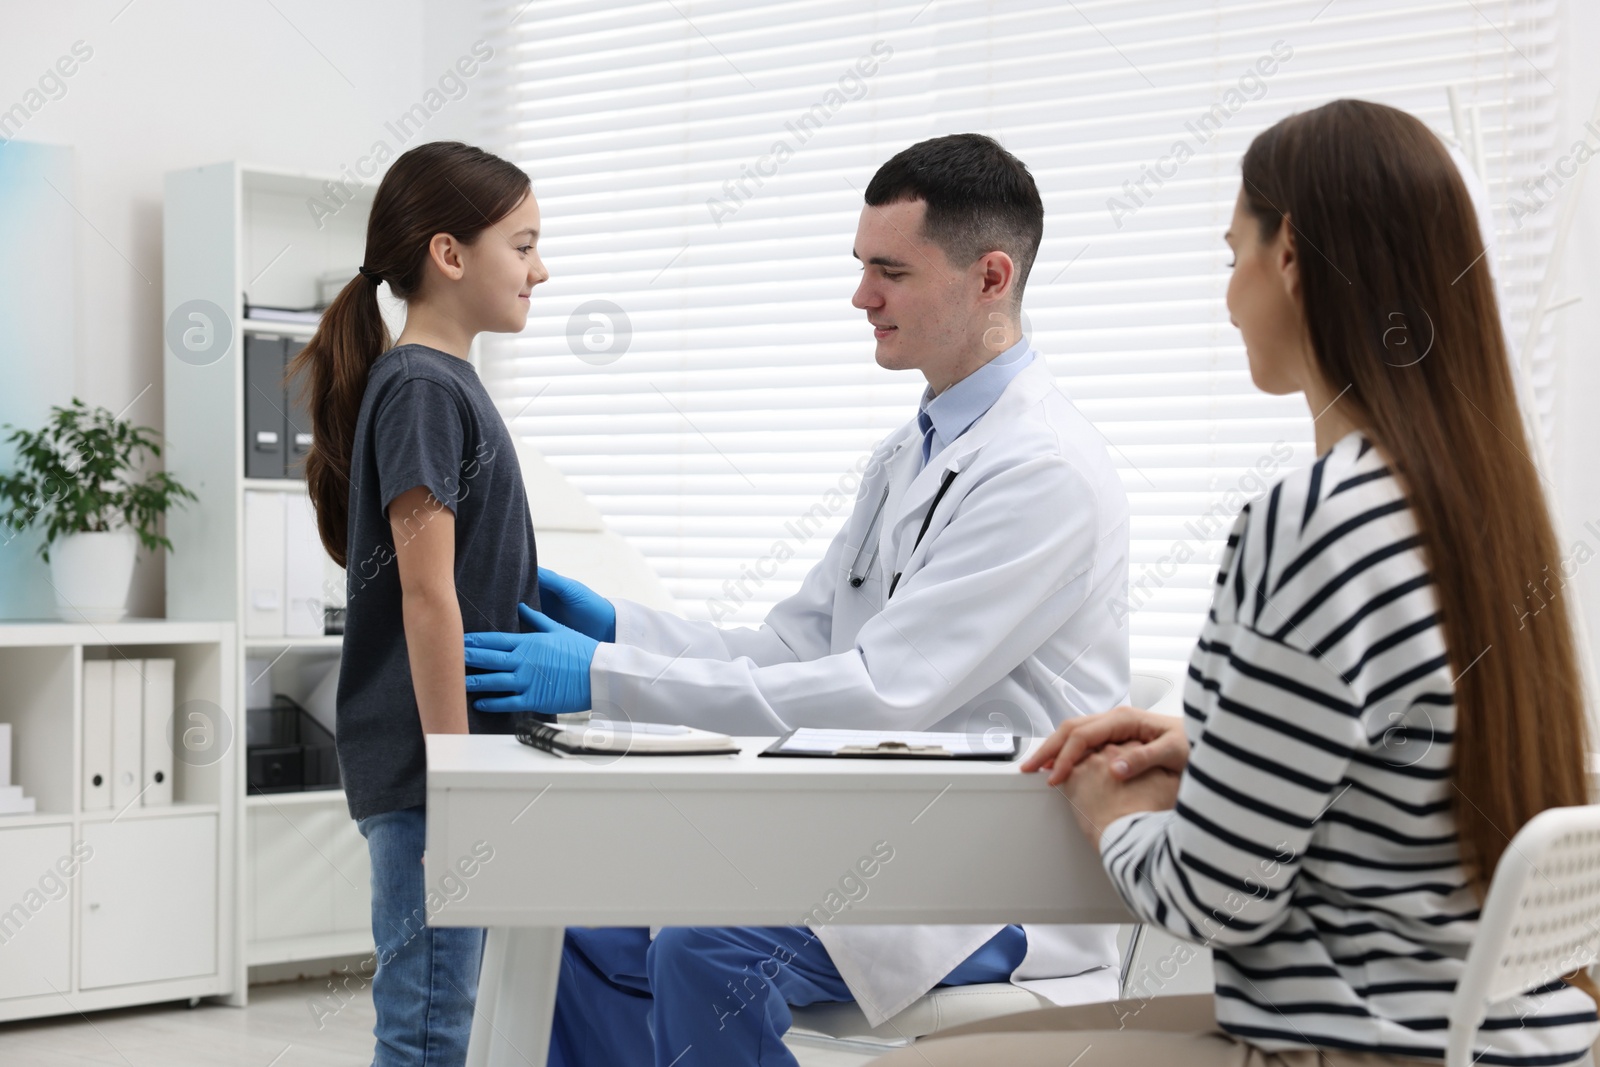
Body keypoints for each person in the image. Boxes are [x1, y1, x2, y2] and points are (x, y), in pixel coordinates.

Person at [876, 99, 1600, 1066]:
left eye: (1233, 257)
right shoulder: (1485, 510)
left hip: (1350, 1044)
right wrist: (1219, 744)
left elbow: (1209, 897)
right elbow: (1407, 758)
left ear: (1290, 255)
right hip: (1516, 1036)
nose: (1226, 298)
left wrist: (1115, 809)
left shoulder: (1311, 521)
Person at [460, 134, 1131, 1066]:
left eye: (890, 272)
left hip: (996, 877)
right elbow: (793, 644)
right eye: (861, 268)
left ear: (990, 277)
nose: (862, 297)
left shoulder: (1044, 472)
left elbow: (878, 691)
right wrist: (621, 628)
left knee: (707, 950)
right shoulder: (909, 454)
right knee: (578, 917)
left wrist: (606, 676)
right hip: (873, 839)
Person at [289, 141, 549, 1067]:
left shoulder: (438, 383)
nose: (540, 269)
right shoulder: (423, 387)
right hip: (436, 770)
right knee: (432, 1022)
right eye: (521, 245)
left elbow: (465, 576)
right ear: (449, 253)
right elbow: (427, 593)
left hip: (456, 761)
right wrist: (460, 776)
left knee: (454, 1013)